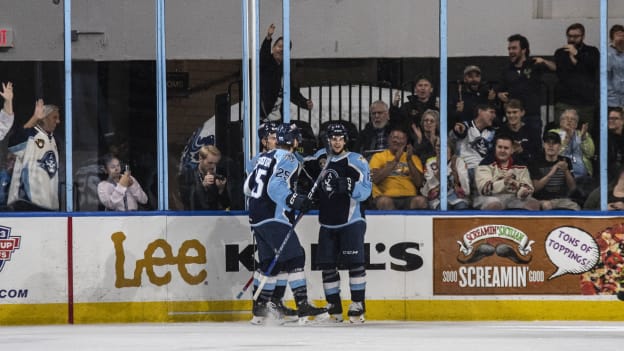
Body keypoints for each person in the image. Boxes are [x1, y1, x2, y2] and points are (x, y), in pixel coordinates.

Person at [243, 122, 327, 324]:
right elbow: (275, 188)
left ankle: (260, 309)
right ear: (293, 141)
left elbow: (248, 188)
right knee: (296, 257)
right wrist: (295, 200)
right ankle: (302, 305)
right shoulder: (289, 159)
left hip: (257, 217)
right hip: (274, 217)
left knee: (269, 262)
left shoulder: (264, 157)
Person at [310, 123, 371, 323]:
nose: (336, 142)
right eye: (333, 138)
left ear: (345, 140)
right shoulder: (321, 158)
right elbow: (304, 170)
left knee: (355, 264)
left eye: (340, 138)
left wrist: (351, 186)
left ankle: (357, 305)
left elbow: (366, 191)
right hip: (327, 222)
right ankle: (334, 309)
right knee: (327, 266)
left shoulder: (356, 161)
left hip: (351, 221)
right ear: (328, 140)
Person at [536, 23, 599, 133]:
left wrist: (576, 53)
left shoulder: (592, 51)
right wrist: (545, 61)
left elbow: (591, 65)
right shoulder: (560, 53)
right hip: (564, 101)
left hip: (585, 102)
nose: (572, 39)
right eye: (569, 36)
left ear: (583, 36)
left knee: (586, 135)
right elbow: (559, 69)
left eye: (576, 36)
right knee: (562, 134)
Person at [8, 99, 60, 211]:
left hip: (48, 204)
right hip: (27, 202)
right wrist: (35, 117)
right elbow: (13, 143)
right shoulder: (32, 134)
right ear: (44, 118)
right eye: (54, 117)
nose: (58, 121)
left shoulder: (53, 140)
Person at [497, 34, 547, 142]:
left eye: (514, 48)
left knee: (534, 146)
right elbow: (499, 90)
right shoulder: (506, 70)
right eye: (509, 49)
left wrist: (544, 61)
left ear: (524, 50)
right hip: (513, 116)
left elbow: (555, 67)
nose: (510, 51)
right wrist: (499, 95)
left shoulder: (534, 65)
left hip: (532, 116)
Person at [260, 24, 313, 121]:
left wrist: (304, 103)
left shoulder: (284, 69)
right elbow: (263, 56)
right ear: (273, 48)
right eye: (279, 46)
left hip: (278, 118)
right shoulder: (267, 63)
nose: (281, 49)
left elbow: (291, 91)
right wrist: (268, 38)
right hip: (262, 116)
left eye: (285, 48)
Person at [474, 134, 540, 211]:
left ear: (512, 150)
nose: (502, 150)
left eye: (506, 148)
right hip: (489, 197)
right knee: (494, 204)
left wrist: (522, 192)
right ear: (495, 148)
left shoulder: (520, 165)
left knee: (533, 204)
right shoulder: (485, 163)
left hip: (513, 197)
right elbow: (484, 189)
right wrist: (504, 182)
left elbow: (528, 186)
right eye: (500, 147)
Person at [368, 126, 427, 210]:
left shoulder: (413, 158)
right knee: (385, 202)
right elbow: (375, 179)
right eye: (395, 137)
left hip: (409, 197)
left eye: (402, 138)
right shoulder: (378, 157)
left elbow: (419, 183)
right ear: (388, 140)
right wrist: (396, 160)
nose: (398, 141)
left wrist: (409, 161)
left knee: (420, 201)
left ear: (406, 141)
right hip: (385, 196)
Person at [449, 104, 497, 190]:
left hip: (483, 171)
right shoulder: (466, 126)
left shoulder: (493, 133)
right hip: (463, 169)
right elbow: (454, 136)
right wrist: (457, 131)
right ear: (480, 111)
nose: (494, 116)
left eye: (494, 113)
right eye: (491, 112)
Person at [548, 109, 595, 198]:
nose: (569, 121)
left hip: (583, 177)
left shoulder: (583, 134)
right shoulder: (554, 133)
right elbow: (554, 153)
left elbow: (590, 153)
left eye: (572, 119)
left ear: (577, 124)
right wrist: (567, 138)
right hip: (561, 176)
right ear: (561, 122)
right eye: (566, 118)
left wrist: (584, 138)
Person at [529, 132, 579, 210]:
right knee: (547, 205)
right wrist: (553, 171)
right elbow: (536, 188)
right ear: (544, 145)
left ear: (559, 146)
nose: (551, 145)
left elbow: (573, 188)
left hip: (562, 199)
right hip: (541, 200)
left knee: (575, 207)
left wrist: (566, 171)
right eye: (548, 143)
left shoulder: (566, 161)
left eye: (554, 143)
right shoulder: (535, 162)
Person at [420, 138, 470, 210]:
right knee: (443, 207)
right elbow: (426, 191)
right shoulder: (430, 162)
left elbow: (466, 190)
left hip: (457, 199)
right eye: (438, 146)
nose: (440, 148)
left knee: (461, 207)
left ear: (450, 148)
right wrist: (439, 171)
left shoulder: (459, 161)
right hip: (437, 200)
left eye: (444, 146)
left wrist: (454, 170)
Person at [178, 145, 230, 210]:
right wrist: (203, 186)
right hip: (194, 217)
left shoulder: (219, 176)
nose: (213, 166)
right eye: (210, 163)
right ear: (200, 159)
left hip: (214, 217)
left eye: (216, 163)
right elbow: (186, 200)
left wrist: (221, 190)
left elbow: (227, 205)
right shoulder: (187, 175)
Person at [497, 99, 540, 164]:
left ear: (522, 113)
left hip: (527, 168)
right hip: (505, 168)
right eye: (509, 113)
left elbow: (537, 156)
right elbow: (494, 153)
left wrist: (521, 151)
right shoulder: (500, 131)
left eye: (514, 112)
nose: (511, 115)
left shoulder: (532, 131)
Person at [608, 24, 624, 108]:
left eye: (623, 35)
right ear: (611, 38)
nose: (621, 38)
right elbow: (606, 79)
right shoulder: (607, 55)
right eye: (618, 35)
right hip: (612, 101)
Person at [608, 107, 624, 180]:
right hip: (610, 177)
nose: (611, 121)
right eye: (610, 118)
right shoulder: (605, 137)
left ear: (622, 121)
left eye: (615, 118)